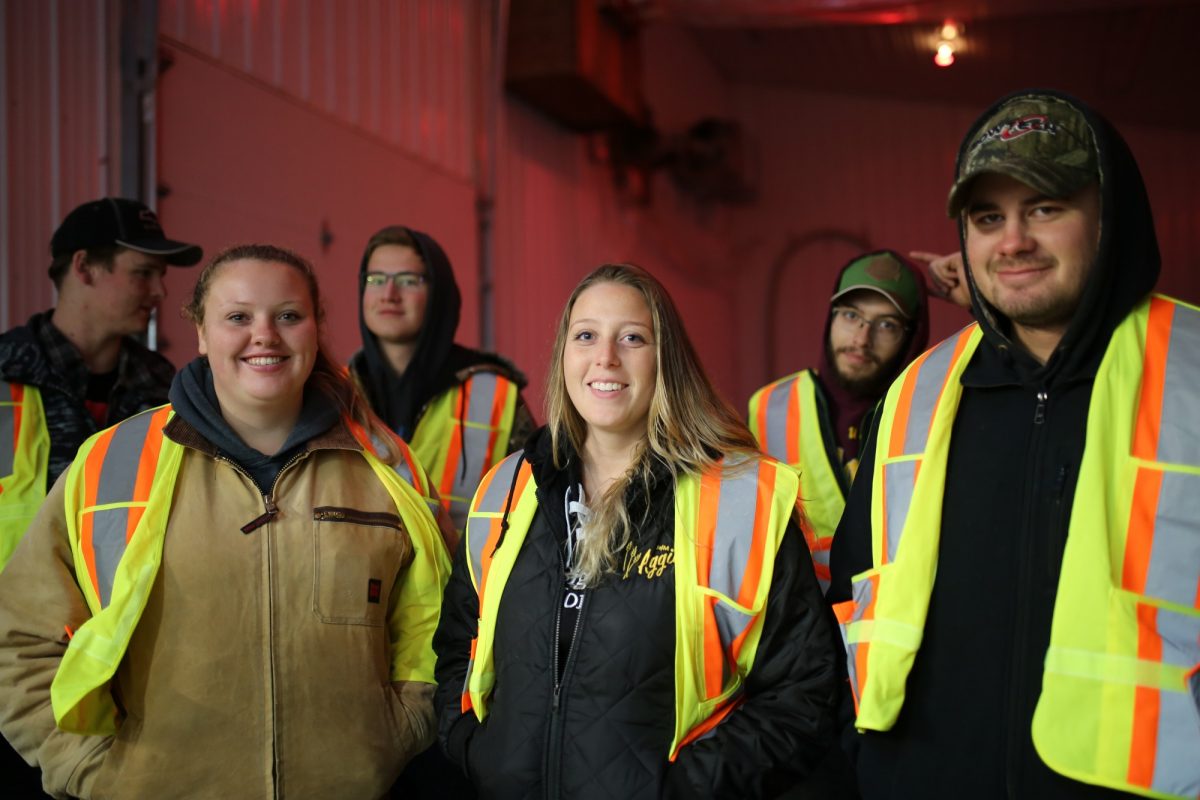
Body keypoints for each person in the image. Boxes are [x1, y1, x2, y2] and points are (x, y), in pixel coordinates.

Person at [829, 89, 1200, 799]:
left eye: (1046, 208)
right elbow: (852, 600)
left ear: (1108, 216)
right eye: (988, 217)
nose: (1013, 241)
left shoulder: (1192, 373)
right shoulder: (914, 395)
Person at [0, 244, 450, 798]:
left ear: (316, 328)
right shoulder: (109, 463)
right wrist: (81, 764)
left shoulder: (387, 467)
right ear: (201, 333)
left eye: (288, 315)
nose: (265, 334)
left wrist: (401, 729)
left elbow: (435, 622)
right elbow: (19, 636)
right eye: (237, 317)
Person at [434, 263, 836, 799]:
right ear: (563, 357)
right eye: (586, 336)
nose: (606, 358)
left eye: (632, 338)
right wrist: (475, 751)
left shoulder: (742, 499)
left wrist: (681, 791)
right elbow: (459, 644)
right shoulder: (506, 490)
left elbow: (802, 693)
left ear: (665, 359)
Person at [0, 197, 202, 572]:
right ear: (84, 268)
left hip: (118, 626)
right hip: (14, 622)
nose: (161, 292)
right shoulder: (5, 373)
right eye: (143, 273)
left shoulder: (165, 388)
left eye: (161, 276)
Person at [748, 251, 928, 592]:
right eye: (851, 316)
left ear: (912, 336)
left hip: (894, 626)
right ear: (830, 317)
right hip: (798, 626)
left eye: (886, 325)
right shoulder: (768, 407)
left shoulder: (928, 411)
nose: (861, 339)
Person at [350, 226, 534, 540]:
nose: (388, 294)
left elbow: (534, 511)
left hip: (461, 584)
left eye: (408, 280)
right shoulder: (334, 392)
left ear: (439, 293)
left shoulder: (493, 395)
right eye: (375, 279)